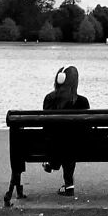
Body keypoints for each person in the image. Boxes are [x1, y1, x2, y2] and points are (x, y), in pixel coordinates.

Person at [42, 65, 90, 197]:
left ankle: (53, 162)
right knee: (71, 141)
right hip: (77, 147)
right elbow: (87, 128)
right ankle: (68, 184)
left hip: (53, 146)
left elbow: (46, 127)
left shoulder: (49, 99)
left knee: (59, 139)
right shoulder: (82, 102)